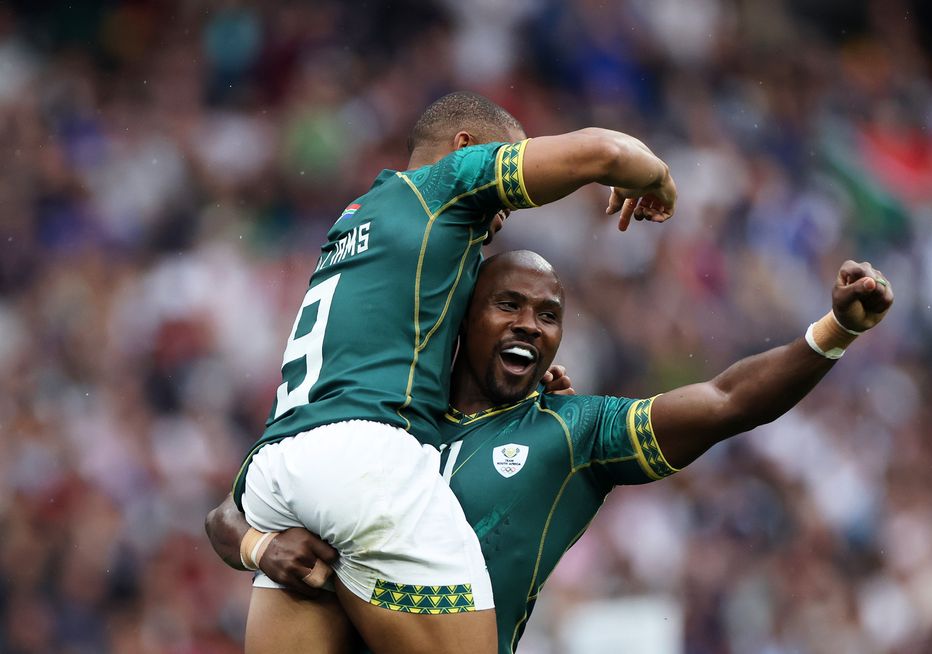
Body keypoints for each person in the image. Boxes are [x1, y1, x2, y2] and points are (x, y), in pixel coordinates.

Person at [209, 250, 894, 653]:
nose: (529, 326)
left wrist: (833, 330)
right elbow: (228, 513)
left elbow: (725, 400)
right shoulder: (376, 416)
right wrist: (260, 550)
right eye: (508, 304)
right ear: (462, 318)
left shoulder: (572, 434)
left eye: (548, 315)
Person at [228, 91, 677, 654]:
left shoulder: (356, 221)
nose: (503, 215)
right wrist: (655, 178)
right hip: (365, 461)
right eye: (503, 185)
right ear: (464, 147)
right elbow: (605, 152)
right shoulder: (445, 187)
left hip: (279, 464)